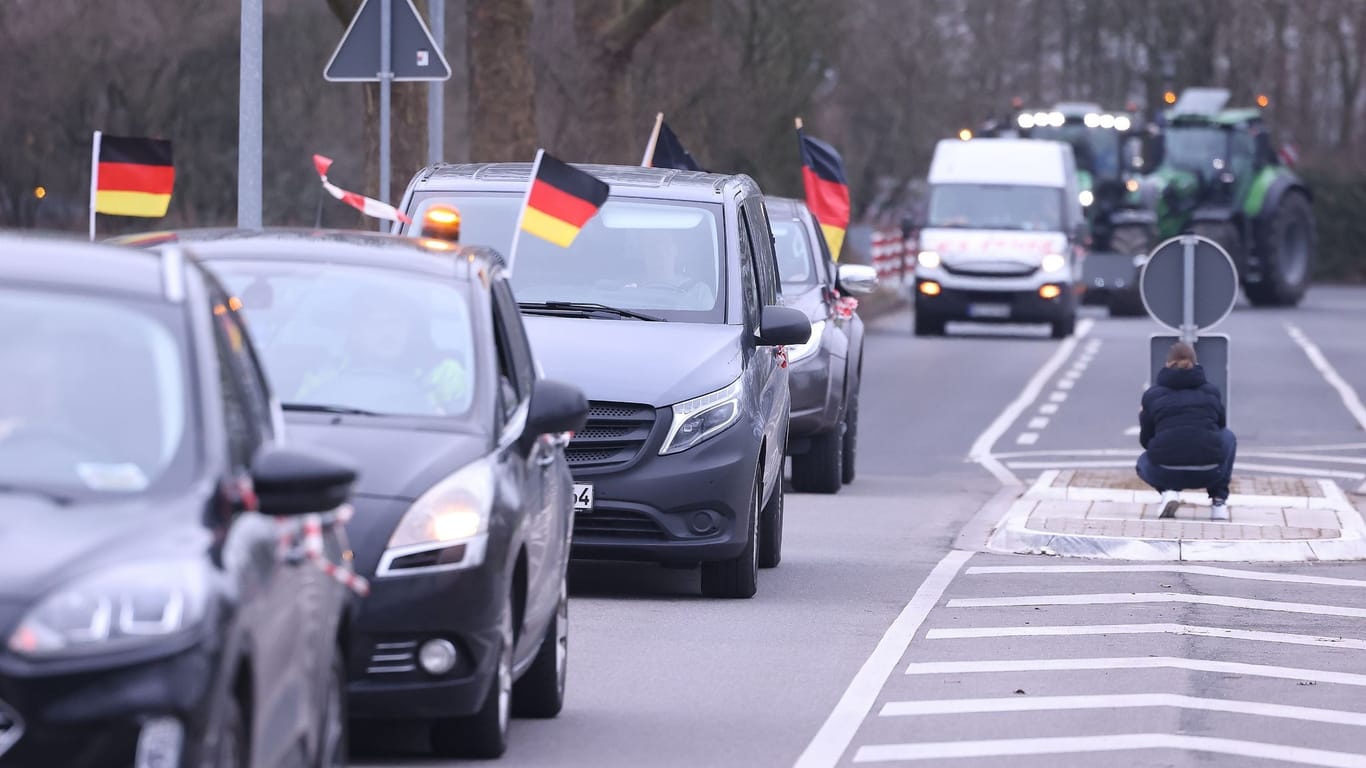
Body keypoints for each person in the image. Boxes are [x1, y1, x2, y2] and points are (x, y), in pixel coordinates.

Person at [1136, 342, 1237, 520]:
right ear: (1195, 364)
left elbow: (1146, 441)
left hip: (1165, 471)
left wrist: (1143, 417)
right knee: (1228, 437)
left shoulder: (1152, 395)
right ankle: (1219, 502)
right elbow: (1221, 426)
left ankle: (1169, 492)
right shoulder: (1212, 392)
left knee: (1143, 462)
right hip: (1210, 472)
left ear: (1168, 364)